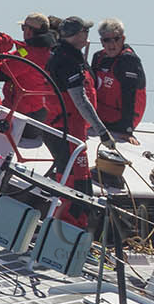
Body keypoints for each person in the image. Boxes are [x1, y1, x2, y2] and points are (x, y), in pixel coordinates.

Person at [45, 16, 109, 182]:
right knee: (76, 179)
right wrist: (103, 132)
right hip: (67, 128)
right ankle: (68, 207)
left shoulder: (62, 53)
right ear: (75, 35)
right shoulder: (69, 61)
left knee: (73, 176)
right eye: (85, 31)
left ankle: (65, 206)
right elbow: (80, 100)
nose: (88, 34)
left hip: (63, 126)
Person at [90, 18, 147, 144]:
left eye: (116, 39)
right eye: (107, 40)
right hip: (101, 118)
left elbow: (130, 95)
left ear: (123, 39)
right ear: (101, 42)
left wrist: (127, 130)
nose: (112, 44)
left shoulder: (128, 60)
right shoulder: (98, 57)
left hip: (120, 122)